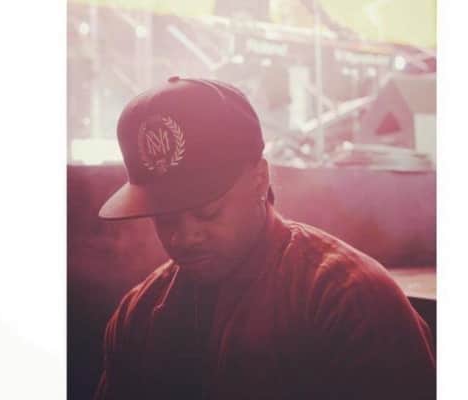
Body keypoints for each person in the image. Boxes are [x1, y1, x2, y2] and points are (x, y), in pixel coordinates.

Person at [94, 76, 436, 400]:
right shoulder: (136, 315)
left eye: (207, 211)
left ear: (260, 179)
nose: (183, 236)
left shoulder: (348, 300)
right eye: (165, 217)